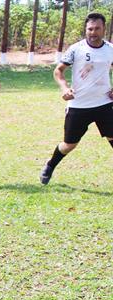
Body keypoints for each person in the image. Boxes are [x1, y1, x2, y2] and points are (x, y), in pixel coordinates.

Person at [39, 13, 113, 185]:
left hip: (104, 104)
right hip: (79, 105)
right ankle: (50, 166)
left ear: (104, 29)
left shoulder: (110, 49)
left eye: (97, 29)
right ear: (86, 29)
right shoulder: (76, 49)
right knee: (69, 144)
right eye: (90, 29)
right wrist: (65, 88)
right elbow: (58, 71)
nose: (93, 32)